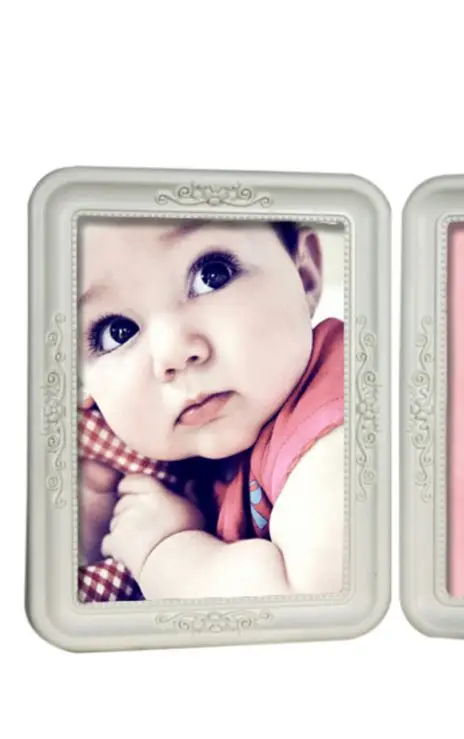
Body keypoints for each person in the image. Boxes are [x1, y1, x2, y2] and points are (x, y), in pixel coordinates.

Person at [78, 219, 344, 600]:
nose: (172, 352)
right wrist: (97, 525)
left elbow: (311, 603)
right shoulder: (176, 460)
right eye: (116, 332)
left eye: (212, 275)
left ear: (304, 275)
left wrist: (162, 550)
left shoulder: (340, 411)